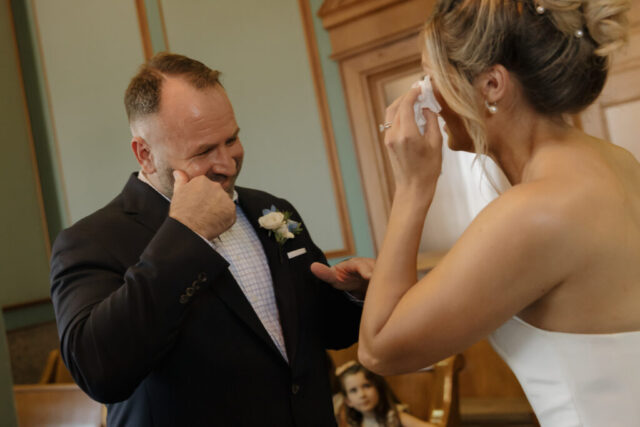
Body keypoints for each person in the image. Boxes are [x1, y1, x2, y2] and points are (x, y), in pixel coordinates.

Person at [313, 0, 640, 425]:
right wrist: (398, 293)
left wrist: (413, 186)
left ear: (491, 84)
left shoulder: (537, 210)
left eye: (431, 79)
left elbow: (379, 352)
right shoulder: (618, 162)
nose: (427, 99)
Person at [49, 52, 367, 426]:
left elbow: (324, 332)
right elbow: (98, 371)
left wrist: (352, 294)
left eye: (231, 139)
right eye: (203, 151)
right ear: (145, 154)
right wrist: (187, 233)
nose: (227, 164)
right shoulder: (90, 241)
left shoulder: (271, 209)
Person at [335, 361, 434, 427]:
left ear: (378, 388)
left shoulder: (394, 416)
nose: (362, 395)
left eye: (366, 386)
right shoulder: (355, 424)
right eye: (353, 390)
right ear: (348, 401)